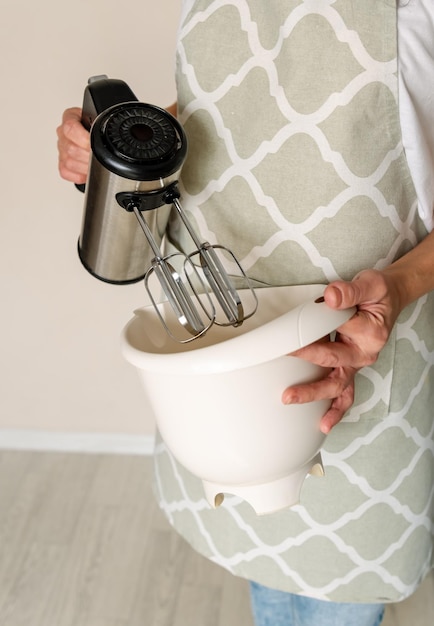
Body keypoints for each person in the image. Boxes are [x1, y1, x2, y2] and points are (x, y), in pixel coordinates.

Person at [57, 1, 434, 624]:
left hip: (361, 388)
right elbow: (223, 123)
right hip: (220, 379)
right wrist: (128, 145)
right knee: (270, 579)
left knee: (334, 595)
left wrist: (398, 284)